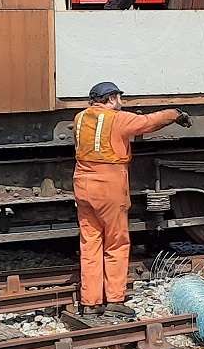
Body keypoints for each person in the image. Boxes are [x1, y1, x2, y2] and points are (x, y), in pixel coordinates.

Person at [73, 81, 182, 318]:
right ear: (111, 99)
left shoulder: (80, 118)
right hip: (109, 186)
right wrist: (174, 114)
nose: (122, 102)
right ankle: (114, 300)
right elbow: (148, 123)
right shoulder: (118, 119)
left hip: (82, 183)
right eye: (120, 98)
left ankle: (90, 303)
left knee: (90, 243)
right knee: (116, 242)